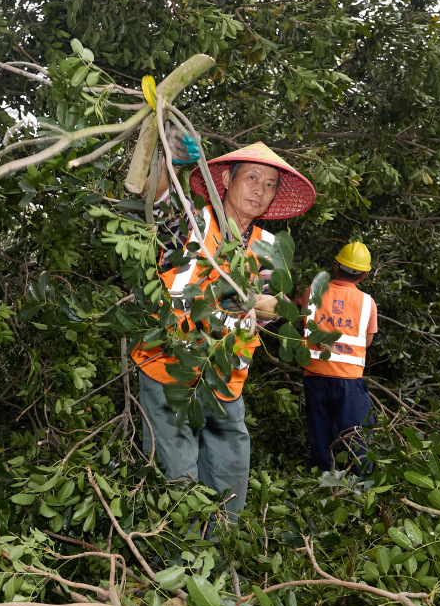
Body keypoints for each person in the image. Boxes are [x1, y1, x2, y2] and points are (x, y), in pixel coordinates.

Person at [130, 135, 315, 523]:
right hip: (169, 371)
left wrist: (258, 302)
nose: (260, 190)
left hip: (226, 383)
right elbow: (156, 198)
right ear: (227, 180)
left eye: (270, 185)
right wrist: (171, 164)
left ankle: (217, 568)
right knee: (177, 481)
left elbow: (270, 306)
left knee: (230, 484)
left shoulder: (268, 247)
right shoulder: (195, 224)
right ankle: (177, 572)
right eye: (252, 178)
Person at [301, 242, 377, 472]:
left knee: (321, 431)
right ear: (363, 275)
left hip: (315, 375)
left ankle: (324, 480)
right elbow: (368, 340)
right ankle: (361, 482)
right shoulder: (367, 303)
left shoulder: (312, 292)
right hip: (349, 380)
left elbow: (302, 323)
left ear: (336, 267)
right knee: (357, 436)